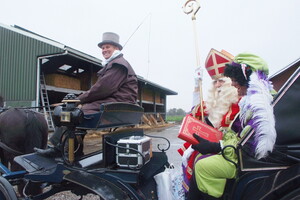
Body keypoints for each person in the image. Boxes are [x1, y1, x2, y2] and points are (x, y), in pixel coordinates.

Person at [188, 53, 277, 200]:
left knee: (202, 165)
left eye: (235, 80)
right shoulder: (251, 100)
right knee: (197, 158)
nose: (232, 84)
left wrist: (217, 146)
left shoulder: (258, 104)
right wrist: (197, 87)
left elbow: (249, 143)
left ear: (246, 79)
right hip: (236, 150)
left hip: (245, 158)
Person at [37, 32, 138, 156]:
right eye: (103, 48)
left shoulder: (118, 64)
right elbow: (102, 89)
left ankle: (58, 149)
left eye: (108, 47)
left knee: (72, 114)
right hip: (116, 100)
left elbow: (104, 88)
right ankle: (72, 151)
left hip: (118, 102)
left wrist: (79, 99)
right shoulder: (115, 63)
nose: (104, 50)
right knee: (76, 113)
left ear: (116, 48)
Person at [178, 49, 240, 195]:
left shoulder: (240, 102)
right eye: (215, 81)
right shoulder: (217, 101)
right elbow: (197, 111)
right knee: (191, 155)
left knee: (200, 162)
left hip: (230, 152)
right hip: (217, 147)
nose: (218, 85)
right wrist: (196, 85)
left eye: (222, 80)